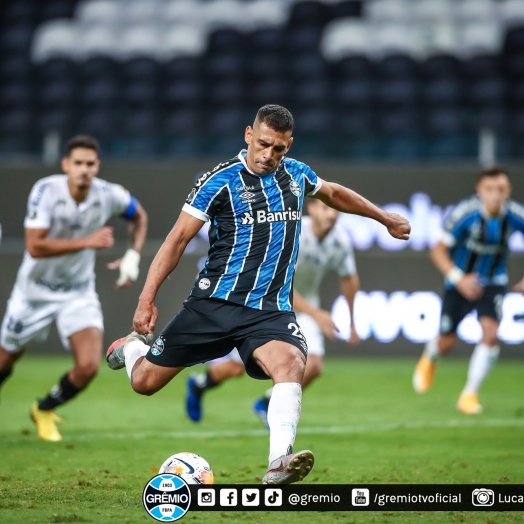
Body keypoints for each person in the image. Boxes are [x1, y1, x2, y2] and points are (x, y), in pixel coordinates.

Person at [106, 104, 410, 484]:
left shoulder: (296, 175)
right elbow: (176, 241)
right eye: (263, 144)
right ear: (249, 135)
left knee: (292, 365)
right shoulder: (219, 181)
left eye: (279, 149)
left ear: (289, 145)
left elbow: (332, 194)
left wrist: (384, 218)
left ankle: (278, 463)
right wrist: (145, 299)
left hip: (269, 313)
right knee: (144, 383)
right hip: (214, 304)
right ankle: (132, 348)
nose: (269, 155)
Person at [0, 135, 148, 441]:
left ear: (97, 166)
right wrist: (88, 242)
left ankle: (43, 408)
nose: (84, 169)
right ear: (66, 164)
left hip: (77, 292)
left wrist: (133, 255)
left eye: (90, 164)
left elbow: (139, 215)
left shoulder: (109, 194)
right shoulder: (46, 190)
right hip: (34, 291)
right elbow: (34, 246)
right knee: (4, 361)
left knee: (88, 366)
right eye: (78, 163)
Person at [185, 198, 361, 427]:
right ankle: (199, 384)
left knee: (314, 366)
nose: (331, 215)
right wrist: (318, 314)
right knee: (238, 368)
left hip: (303, 310)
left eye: (336, 210)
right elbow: (281, 283)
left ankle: (267, 403)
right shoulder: (294, 232)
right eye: (326, 208)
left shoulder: (340, 242)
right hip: (267, 304)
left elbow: (349, 278)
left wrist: (353, 321)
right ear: (312, 209)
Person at [413, 166, 524, 414]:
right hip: (459, 281)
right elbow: (438, 249)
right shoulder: (465, 214)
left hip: (493, 281)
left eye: (501, 189)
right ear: (480, 190)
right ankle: (431, 355)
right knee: (446, 343)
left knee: (491, 333)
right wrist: (459, 278)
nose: (496, 194)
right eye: (490, 189)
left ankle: (469, 394)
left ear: (508, 190)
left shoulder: (515, 215)